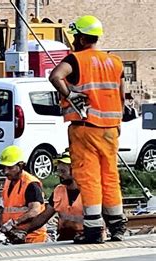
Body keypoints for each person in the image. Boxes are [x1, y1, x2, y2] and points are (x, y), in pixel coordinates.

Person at [49, 15, 127, 243]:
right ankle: (117, 226)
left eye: (75, 37)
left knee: (89, 176)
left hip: (85, 127)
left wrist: (70, 94)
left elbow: (55, 76)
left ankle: (93, 230)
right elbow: (121, 94)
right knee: (110, 176)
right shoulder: (115, 62)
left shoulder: (76, 59)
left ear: (81, 38)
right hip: (111, 128)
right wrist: (117, 122)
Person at [14, 151, 85, 241]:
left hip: (86, 238)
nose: (60, 175)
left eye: (63, 171)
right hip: (65, 238)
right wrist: (24, 231)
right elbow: (44, 216)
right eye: (58, 171)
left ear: (75, 171)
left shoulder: (88, 192)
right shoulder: (58, 190)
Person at [0, 145, 47, 244]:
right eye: (4, 167)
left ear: (20, 166)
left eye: (10, 167)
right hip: (16, 236)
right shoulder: (8, 182)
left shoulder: (31, 184)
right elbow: (4, 209)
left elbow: (35, 211)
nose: (6, 171)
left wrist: (14, 222)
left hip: (32, 238)